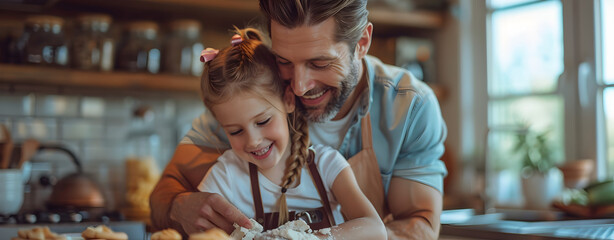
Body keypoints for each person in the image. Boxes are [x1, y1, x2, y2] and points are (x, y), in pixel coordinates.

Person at [150, 0, 447, 239]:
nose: (300, 86)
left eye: (320, 63)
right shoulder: (250, 100)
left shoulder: (409, 106)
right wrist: (179, 208)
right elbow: (166, 192)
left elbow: (418, 226)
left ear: (362, 42)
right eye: (284, 61)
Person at [194, 27, 385, 239]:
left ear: (288, 100)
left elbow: (374, 229)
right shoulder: (226, 176)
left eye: (263, 121)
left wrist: (310, 238)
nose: (253, 141)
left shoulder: (327, 165)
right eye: (236, 131)